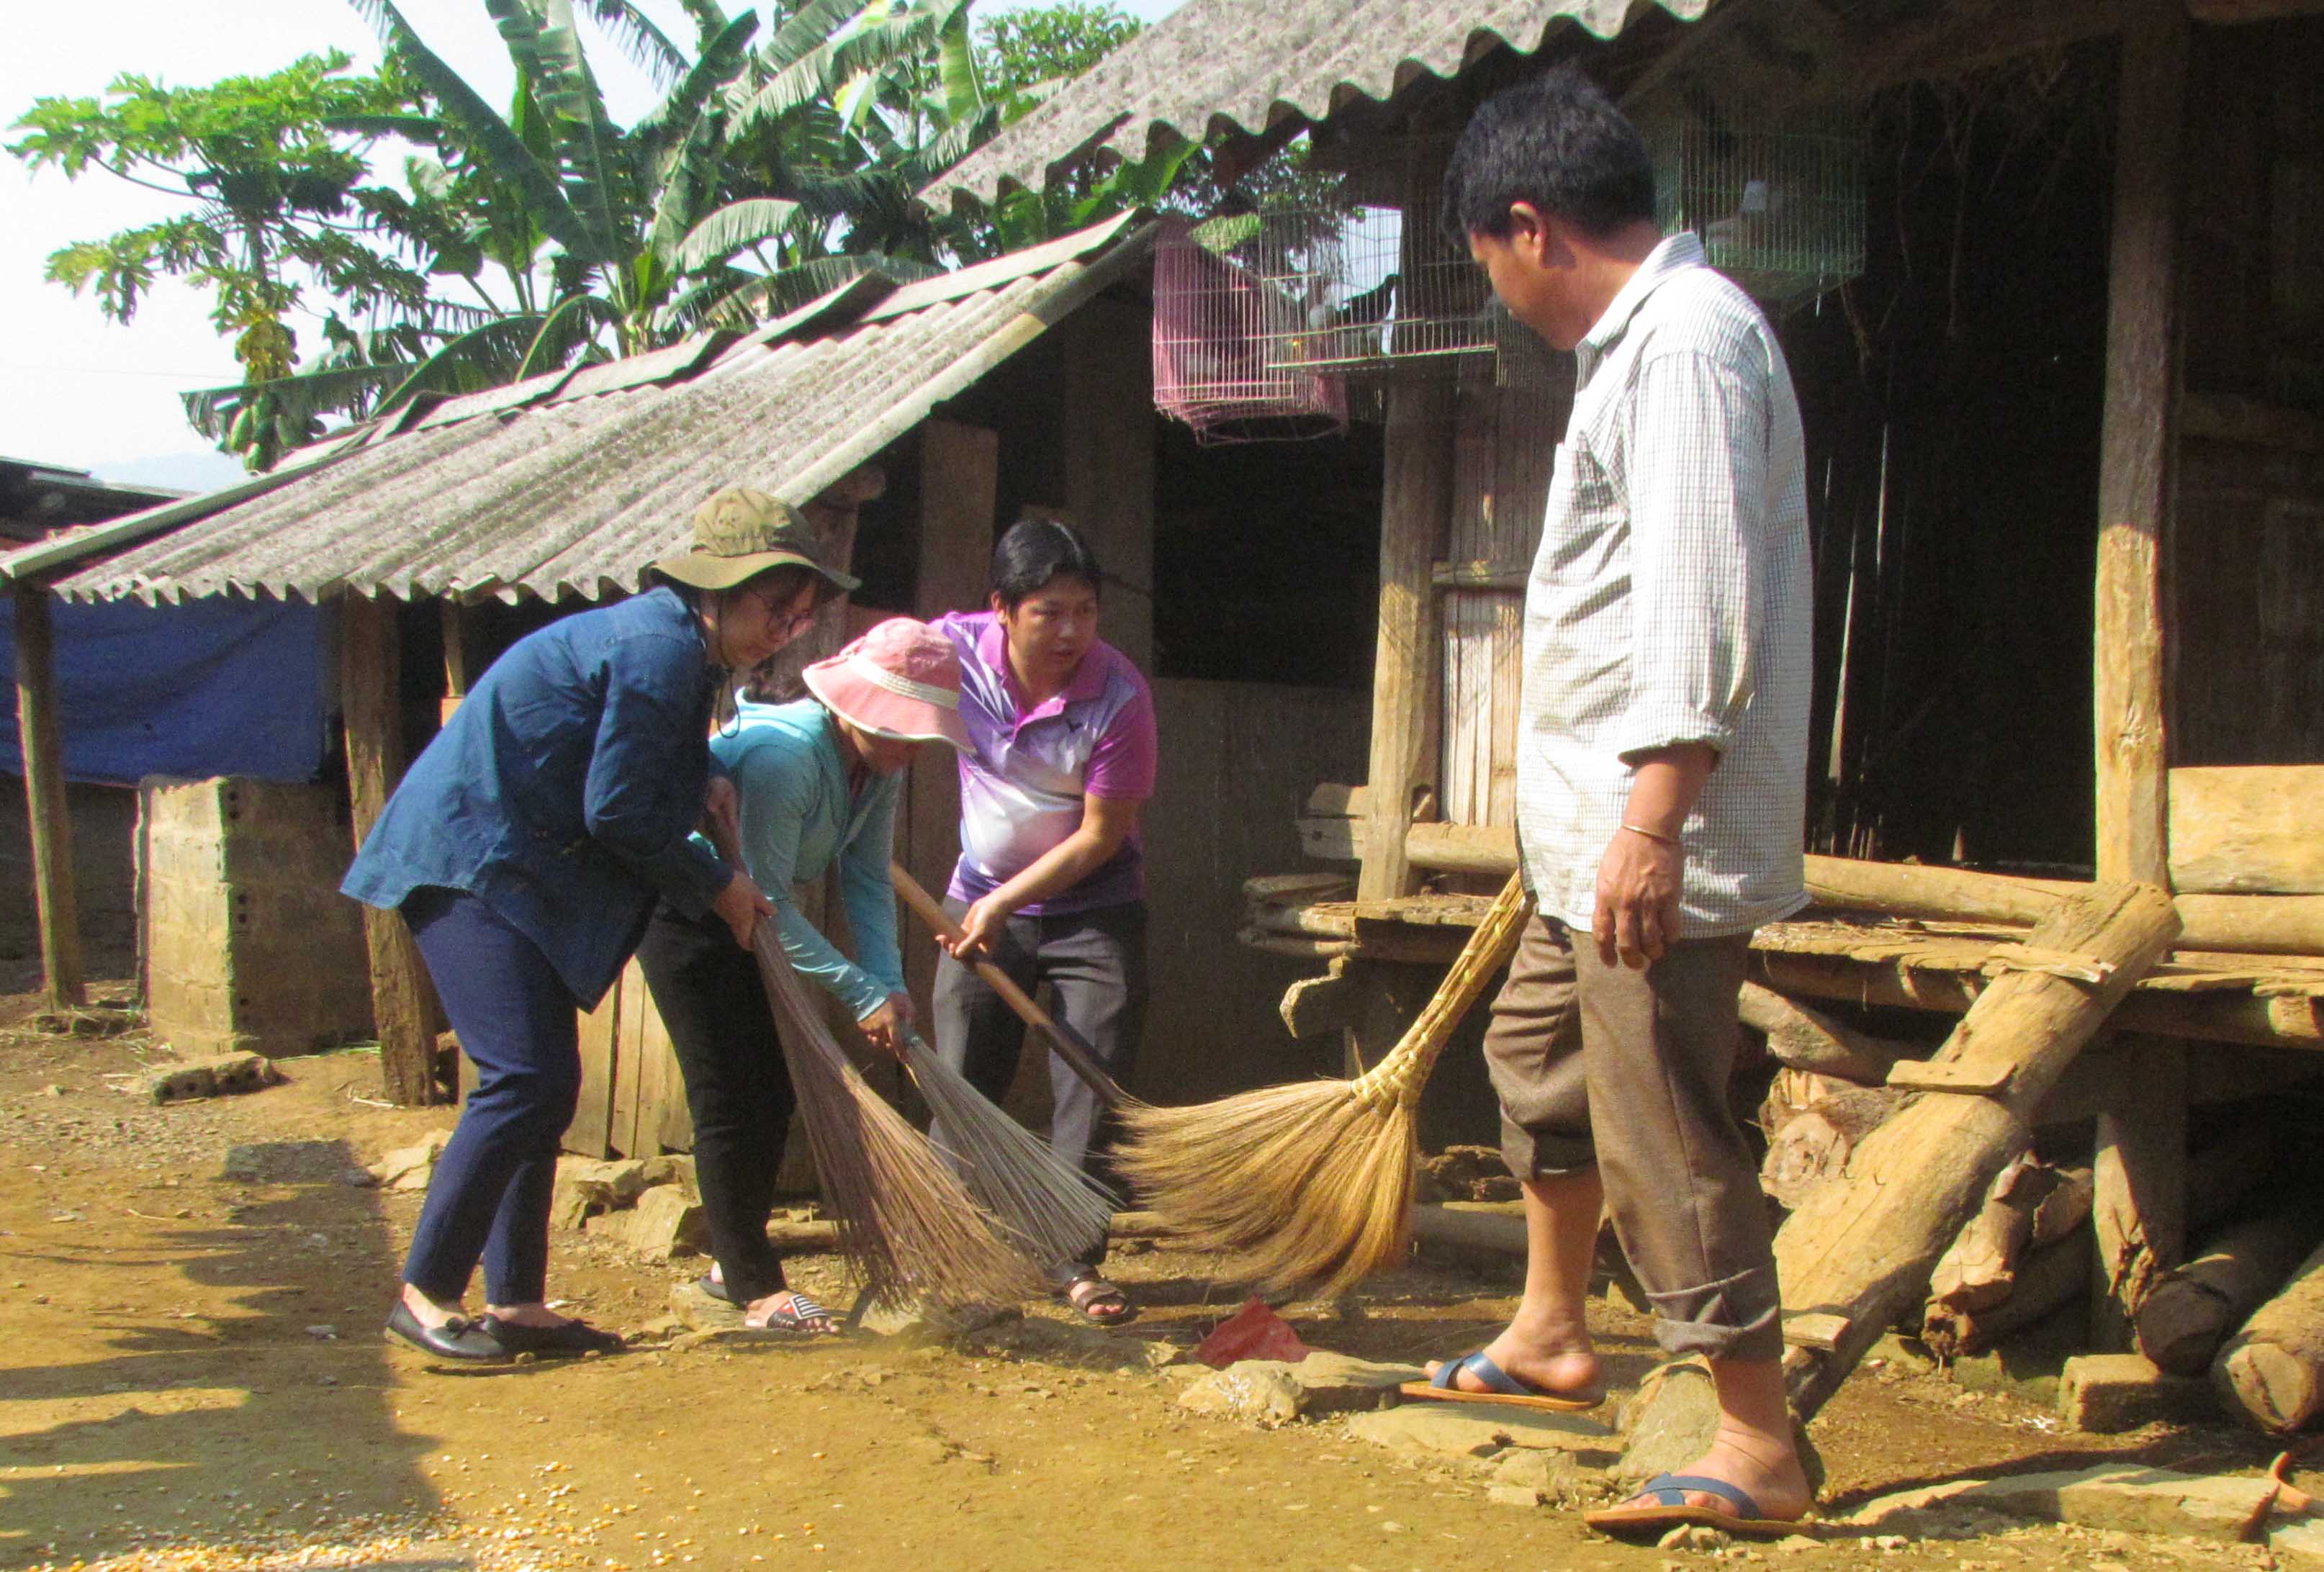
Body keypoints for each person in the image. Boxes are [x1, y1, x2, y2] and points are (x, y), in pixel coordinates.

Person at [1418, 70, 1815, 1537]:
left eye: (1492, 268)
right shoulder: (1644, 348)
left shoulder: (1689, 347)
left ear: (1532, 229)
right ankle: (1551, 1331)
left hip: (1653, 830)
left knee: (1661, 1117)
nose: (1508, 298)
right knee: (1538, 1056)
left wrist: (1654, 822)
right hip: (1587, 836)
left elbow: (1705, 598)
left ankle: (1758, 1443)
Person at [344, 487, 853, 1363]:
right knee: (525, 1079)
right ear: (721, 590)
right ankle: (426, 1294)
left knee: (541, 1082)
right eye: (776, 607)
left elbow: (627, 744)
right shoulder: (659, 651)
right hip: (473, 861)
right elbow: (617, 808)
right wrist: (718, 882)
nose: (789, 627)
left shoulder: (677, 652)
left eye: (802, 614)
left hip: (511, 867)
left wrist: (699, 773)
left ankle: (516, 1302)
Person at [636, 617, 972, 1334]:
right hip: (694, 917)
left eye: (923, 734)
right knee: (729, 1093)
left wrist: (889, 983)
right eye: (905, 728)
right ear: (860, 708)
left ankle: (734, 1267)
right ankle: (754, 1288)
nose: (914, 748)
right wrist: (857, 992)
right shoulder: (783, 758)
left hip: (758, 924)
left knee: (774, 1088)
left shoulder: (874, 768)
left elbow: (865, 881)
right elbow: (769, 900)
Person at [929, 520, 1156, 1325]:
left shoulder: (1119, 696)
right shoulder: (949, 652)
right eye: (1049, 613)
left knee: (1092, 1082)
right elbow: (856, 676)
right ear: (1002, 609)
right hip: (978, 902)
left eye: (1086, 613)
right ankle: (953, 1249)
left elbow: (1100, 835)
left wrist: (1001, 900)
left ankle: (1074, 1259)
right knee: (961, 1078)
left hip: (1093, 913)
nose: (1070, 632)